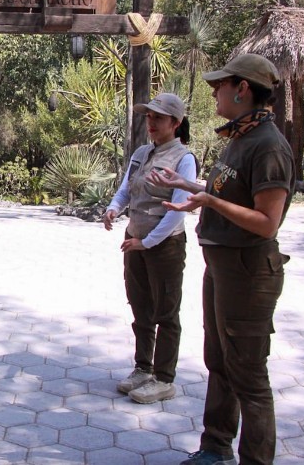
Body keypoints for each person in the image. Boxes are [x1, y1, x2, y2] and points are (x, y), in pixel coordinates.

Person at [150, 54, 295, 465]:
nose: (214, 93)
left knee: (248, 374)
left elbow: (266, 222)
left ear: (242, 89)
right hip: (222, 267)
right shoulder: (241, 138)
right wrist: (187, 185)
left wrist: (210, 201)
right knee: (219, 361)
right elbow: (229, 195)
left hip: (248, 273)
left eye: (220, 86)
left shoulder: (268, 146)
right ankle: (215, 447)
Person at [103, 93, 197, 404]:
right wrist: (114, 208)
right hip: (134, 241)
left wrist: (147, 242)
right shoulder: (142, 153)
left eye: (159, 117)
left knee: (165, 312)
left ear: (176, 123)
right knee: (140, 307)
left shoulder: (183, 159)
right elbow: (126, 188)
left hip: (164, 246)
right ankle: (143, 368)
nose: (152, 122)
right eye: (149, 116)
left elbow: (178, 210)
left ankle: (164, 378)